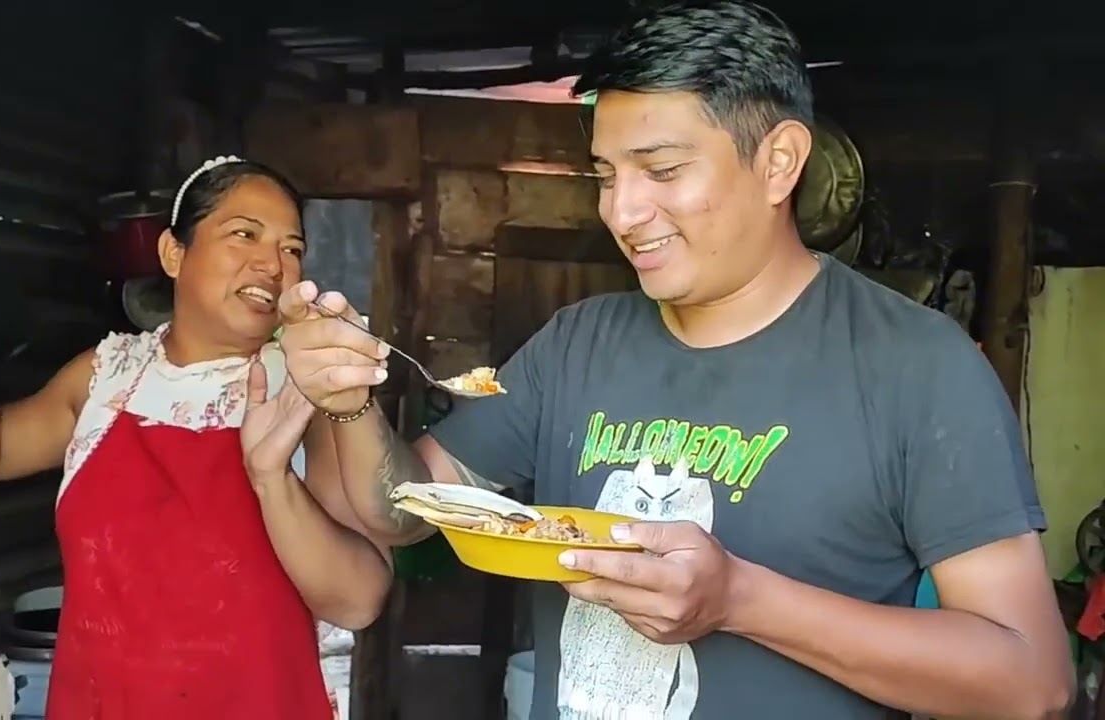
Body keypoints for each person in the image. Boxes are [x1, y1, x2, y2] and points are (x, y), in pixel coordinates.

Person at [276, 2, 1073, 719]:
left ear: (779, 162)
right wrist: (346, 401)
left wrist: (741, 600)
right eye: (606, 174)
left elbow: (1030, 682)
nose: (621, 212)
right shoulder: (577, 342)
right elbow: (404, 513)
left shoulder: (916, 366)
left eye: (661, 171)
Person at [0, 156, 391, 720]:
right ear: (174, 253)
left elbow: (357, 599)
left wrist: (272, 480)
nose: (273, 264)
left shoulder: (314, 393)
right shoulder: (110, 374)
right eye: (244, 234)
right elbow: (2, 443)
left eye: (292, 249)